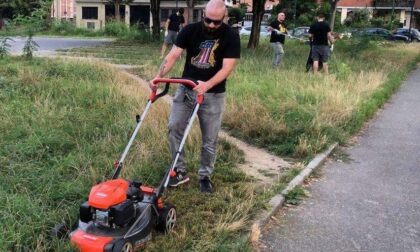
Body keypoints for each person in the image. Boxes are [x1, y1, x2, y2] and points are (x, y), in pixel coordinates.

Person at [149, 0, 240, 193]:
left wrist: (207, 85)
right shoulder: (189, 30)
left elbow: (228, 67)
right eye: (208, 20)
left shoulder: (231, 35)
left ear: (224, 18)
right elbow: (173, 55)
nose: (212, 25)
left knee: (210, 138)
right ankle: (179, 171)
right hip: (186, 89)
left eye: (217, 22)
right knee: (174, 127)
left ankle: (205, 175)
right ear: (203, 15)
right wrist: (159, 77)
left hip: (213, 94)